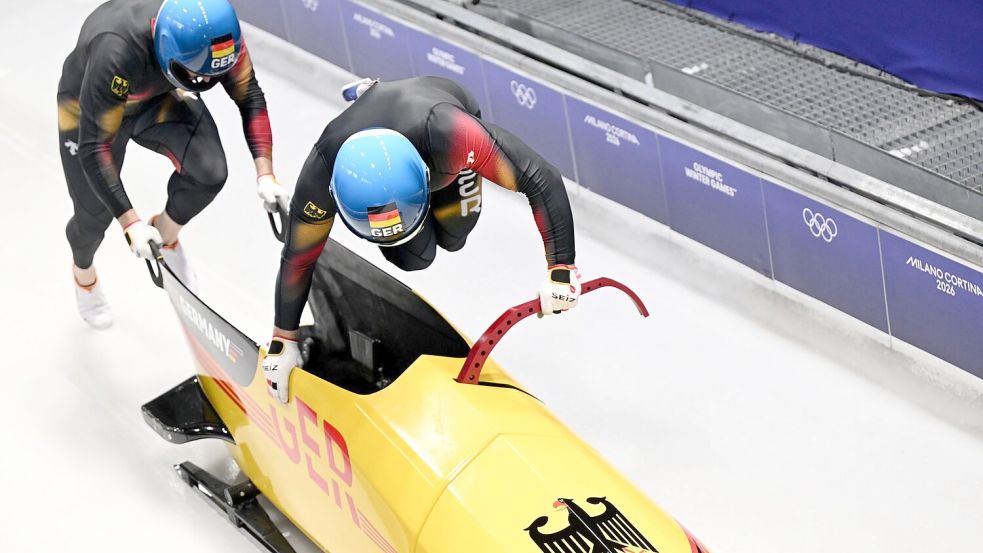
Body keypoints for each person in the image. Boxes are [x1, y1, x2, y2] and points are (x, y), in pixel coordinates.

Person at [262, 76, 580, 403]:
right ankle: (372, 95)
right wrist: (283, 341)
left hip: (444, 135)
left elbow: (541, 177)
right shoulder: (321, 175)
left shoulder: (452, 135)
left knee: (456, 235)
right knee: (414, 258)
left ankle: (373, 93)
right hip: (409, 160)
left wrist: (561, 268)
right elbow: (299, 257)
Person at [59, 0, 289, 329]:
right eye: (196, 74)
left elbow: (249, 95)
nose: (204, 79)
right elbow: (95, 148)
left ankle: (167, 235)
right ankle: (84, 276)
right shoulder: (116, 50)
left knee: (209, 172)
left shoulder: (219, 38)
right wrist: (131, 225)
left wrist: (266, 174)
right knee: (93, 216)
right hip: (91, 109)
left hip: (158, 97)